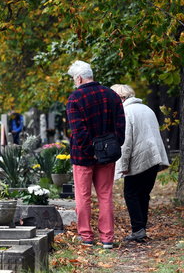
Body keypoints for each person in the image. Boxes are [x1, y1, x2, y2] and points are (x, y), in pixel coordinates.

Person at [66, 60, 125, 249]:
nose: (74, 83)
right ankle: (107, 238)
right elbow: (121, 126)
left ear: (80, 78)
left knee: (83, 196)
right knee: (105, 195)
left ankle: (86, 236)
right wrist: (112, 146)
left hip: (83, 156)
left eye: (74, 79)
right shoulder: (112, 95)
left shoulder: (75, 98)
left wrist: (90, 150)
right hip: (107, 154)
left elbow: (78, 131)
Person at [110, 84, 169, 242]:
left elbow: (126, 142)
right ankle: (141, 228)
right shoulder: (146, 109)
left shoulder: (126, 111)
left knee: (131, 194)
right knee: (143, 194)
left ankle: (138, 229)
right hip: (153, 158)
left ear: (121, 97)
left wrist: (123, 166)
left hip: (139, 159)